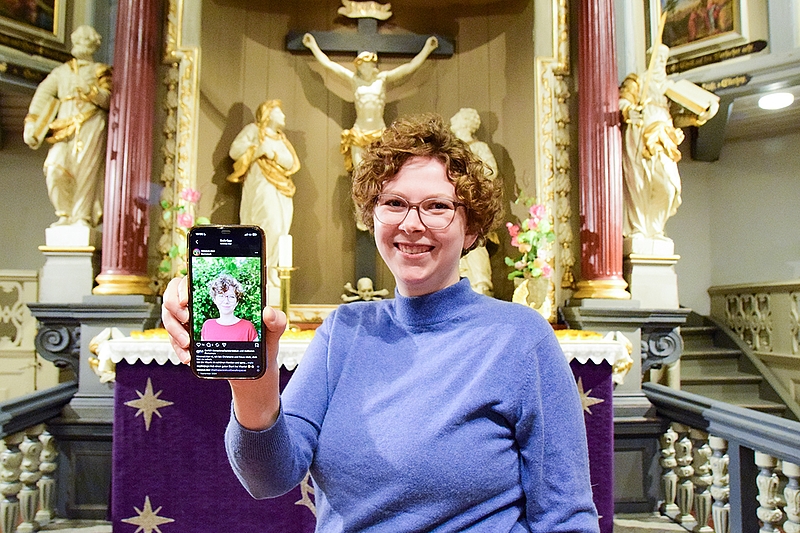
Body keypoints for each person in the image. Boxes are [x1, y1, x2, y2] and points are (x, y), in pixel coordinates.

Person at [163, 114, 599, 532]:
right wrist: (252, 382)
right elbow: (269, 477)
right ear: (372, 217)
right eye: (394, 203)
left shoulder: (519, 338)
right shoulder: (343, 332)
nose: (412, 224)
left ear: (471, 229)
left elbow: (565, 517)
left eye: (437, 206)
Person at [619, 44, 717, 250]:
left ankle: (655, 229)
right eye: (658, 59)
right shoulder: (637, 81)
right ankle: (639, 228)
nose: (660, 64)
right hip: (640, 138)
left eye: (663, 61)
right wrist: (631, 112)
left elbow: (676, 118)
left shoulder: (668, 90)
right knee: (641, 183)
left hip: (664, 139)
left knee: (669, 185)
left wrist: (698, 117)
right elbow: (623, 104)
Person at [302, 32, 439, 173]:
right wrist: (313, 46)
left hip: (379, 131)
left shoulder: (382, 79)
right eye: (363, 66)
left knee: (382, 173)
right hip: (359, 131)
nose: (366, 68)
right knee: (359, 173)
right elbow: (329, 65)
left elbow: (409, 68)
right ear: (359, 67)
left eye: (369, 65)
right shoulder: (354, 80)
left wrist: (427, 49)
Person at [23, 25, 111, 228]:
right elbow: (43, 96)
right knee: (54, 167)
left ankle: (81, 216)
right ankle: (64, 213)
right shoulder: (61, 72)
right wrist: (31, 123)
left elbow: (109, 100)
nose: (81, 44)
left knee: (86, 171)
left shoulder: (101, 70)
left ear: (93, 45)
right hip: (64, 124)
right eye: (78, 40)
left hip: (91, 122)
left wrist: (90, 91)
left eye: (86, 40)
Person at [227, 100, 300, 295]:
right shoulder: (254, 131)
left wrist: (273, 154)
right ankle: (259, 271)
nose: (283, 116)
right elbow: (235, 151)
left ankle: (272, 270)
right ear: (268, 114)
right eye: (279, 112)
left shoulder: (280, 138)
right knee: (269, 226)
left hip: (281, 188)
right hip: (262, 186)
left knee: (281, 228)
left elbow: (290, 162)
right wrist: (257, 150)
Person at [450, 107, 499, 296]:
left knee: (475, 243)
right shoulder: (450, 150)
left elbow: (491, 171)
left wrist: (468, 178)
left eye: (456, 119)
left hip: (472, 203)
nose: (452, 122)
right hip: (452, 205)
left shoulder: (478, 147)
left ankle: (481, 283)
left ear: (465, 123)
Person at [200, 273, 258, 342]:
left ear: (237, 301)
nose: (226, 301)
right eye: (221, 296)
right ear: (214, 300)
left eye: (231, 297)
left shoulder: (248, 327)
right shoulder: (208, 326)